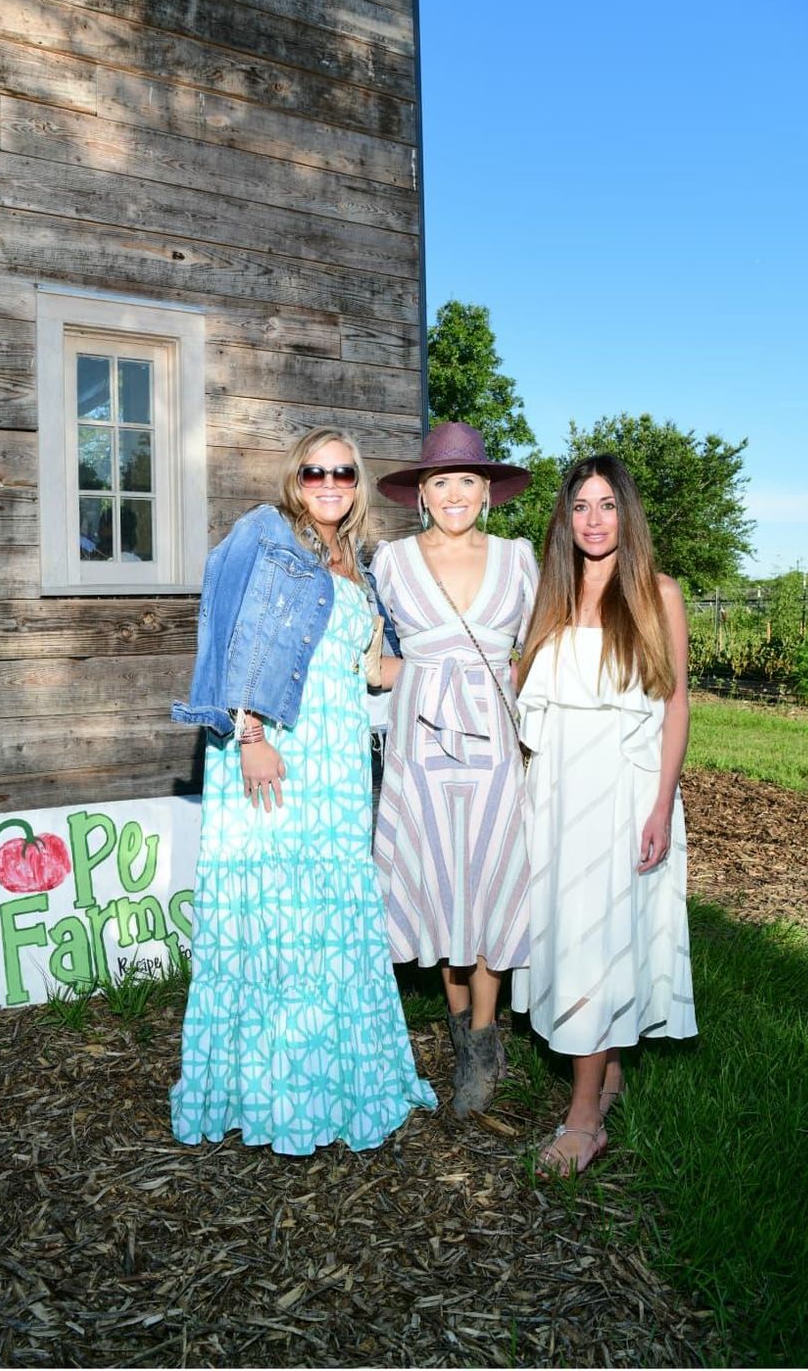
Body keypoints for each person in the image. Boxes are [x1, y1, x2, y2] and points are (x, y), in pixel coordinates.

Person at [169, 428, 436, 1155]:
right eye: (315, 470)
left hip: (339, 763)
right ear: (296, 477)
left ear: (358, 481)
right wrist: (249, 739)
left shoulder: (364, 565)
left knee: (329, 914)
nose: (328, 482)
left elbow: (375, 669)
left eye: (343, 472)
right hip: (276, 750)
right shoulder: (269, 537)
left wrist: (458, 667)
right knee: (276, 918)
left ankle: (336, 1082)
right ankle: (275, 1091)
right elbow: (230, 638)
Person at [512, 454, 697, 1175]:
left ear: (628, 514)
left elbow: (676, 702)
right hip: (556, 796)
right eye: (581, 506)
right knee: (575, 935)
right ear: (566, 518)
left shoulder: (658, 594)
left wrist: (660, 802)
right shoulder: (550, 599)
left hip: (624, 795)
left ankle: (584, 1120)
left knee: (600, 936)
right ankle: (609, 1071)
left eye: (607, 505)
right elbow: (526, 693)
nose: (594, 520)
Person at [372, 422, 538, 1116]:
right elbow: (369, 654)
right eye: (440, 481)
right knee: (441, 877)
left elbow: (535, 651)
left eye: (467, 480)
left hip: (497, 738)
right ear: (421, 493)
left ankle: (481, 1036)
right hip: (422, 739)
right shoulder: (389, 561)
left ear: (487, 491)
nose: (454, 494)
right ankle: (461, 1026)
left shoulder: (521, 559)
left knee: (493, 875)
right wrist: (409, 674)